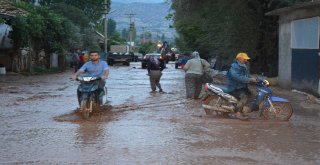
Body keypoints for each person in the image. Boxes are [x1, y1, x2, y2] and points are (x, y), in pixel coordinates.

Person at [226, 52, 257, 120]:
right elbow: (237, 77)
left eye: (246, 59)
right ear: (240, 59)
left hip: (242, 86)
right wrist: (249, 79)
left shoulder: (243, 66)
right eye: (244, 59)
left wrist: (254, 79)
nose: (246, 60)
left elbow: (247, 75)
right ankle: (238, 113)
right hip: (234, 87)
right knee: (244, 97)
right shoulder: (234, 66)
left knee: (252, 95)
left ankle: (244, 109)